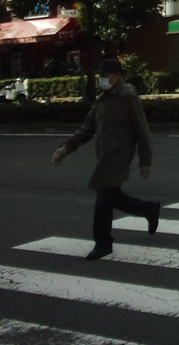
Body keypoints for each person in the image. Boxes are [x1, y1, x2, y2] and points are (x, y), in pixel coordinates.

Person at [52, 57, 160, 261]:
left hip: (119, 154)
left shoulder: (127, 96)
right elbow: (87, 128)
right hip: (104, 154)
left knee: (103, 193)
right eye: (100, 75)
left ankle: (103, 242)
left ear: (117, 76)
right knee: (111, 195)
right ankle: (149, 209)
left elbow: (142, 130)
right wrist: (67, 147)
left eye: (105, 75)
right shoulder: (103, 98)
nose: (101, 78)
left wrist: (145, 160)